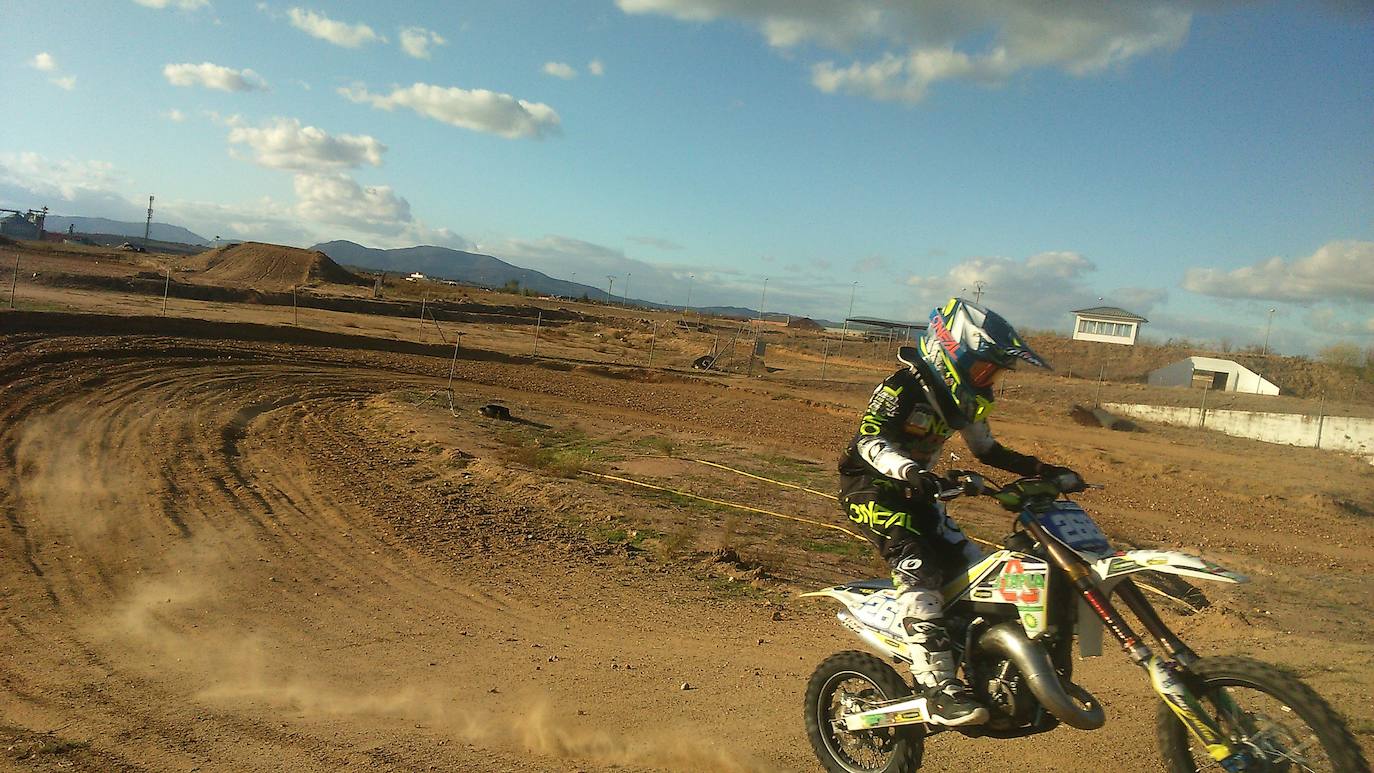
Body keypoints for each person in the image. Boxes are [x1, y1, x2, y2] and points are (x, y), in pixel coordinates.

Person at [837, 297, 1085, 726]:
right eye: (982, 368)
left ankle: (990, 668)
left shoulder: (959, 401)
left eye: (992, 372)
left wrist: (1044, 469)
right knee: (917, 564)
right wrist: (911, 470)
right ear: (949, 352)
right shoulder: (902, 386)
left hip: (919, 493)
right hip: (871, 490)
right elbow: (869, 440)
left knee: (975, 574)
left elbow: (987, 450)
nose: (986, 379)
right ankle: (938, 689)